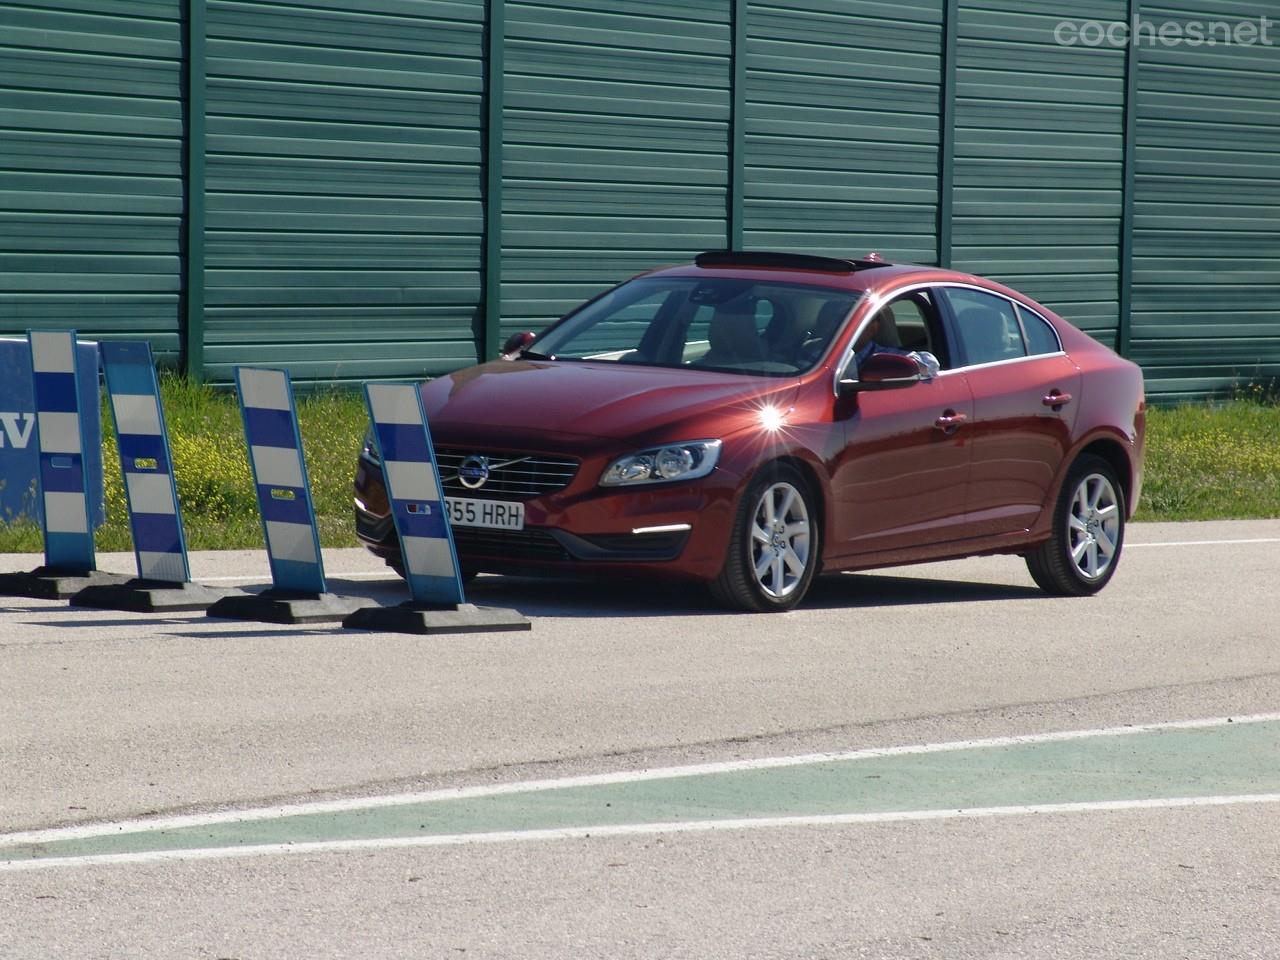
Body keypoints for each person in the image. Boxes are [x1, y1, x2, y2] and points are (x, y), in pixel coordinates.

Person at [853, 306, 941, 378]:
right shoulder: (840, 355)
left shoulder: (885, 356)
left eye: (853, 322)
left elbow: (930, 364)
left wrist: (911, 363)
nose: (840, 328)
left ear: (873, 327)